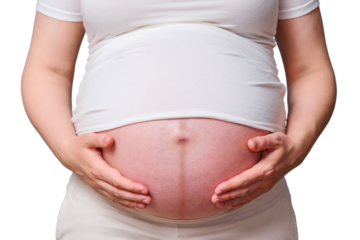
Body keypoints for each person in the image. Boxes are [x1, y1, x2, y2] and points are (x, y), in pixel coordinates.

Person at [20, 0, 337, 239]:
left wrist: (297, 147)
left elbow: (310, 67)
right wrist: (66, 149)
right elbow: (48, 68)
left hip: (254, 215)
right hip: (105, 216)